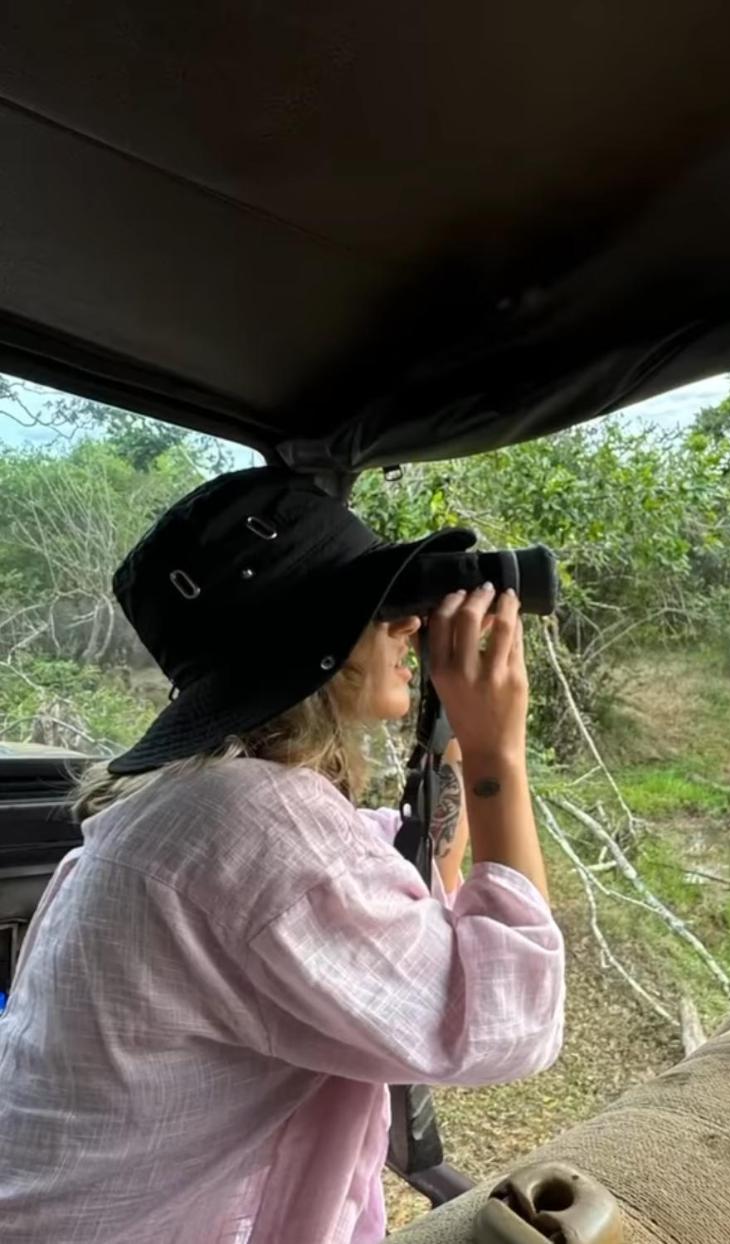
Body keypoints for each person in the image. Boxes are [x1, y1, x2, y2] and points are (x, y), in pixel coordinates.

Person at [0, 467, 565, 1244]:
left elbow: (391, 865)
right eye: (382, 609)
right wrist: (499, 748)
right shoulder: (253, 823)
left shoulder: (187, 803)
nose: (407, 626)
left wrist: (454, 741)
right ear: (316, 648)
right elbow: (514, 1016)